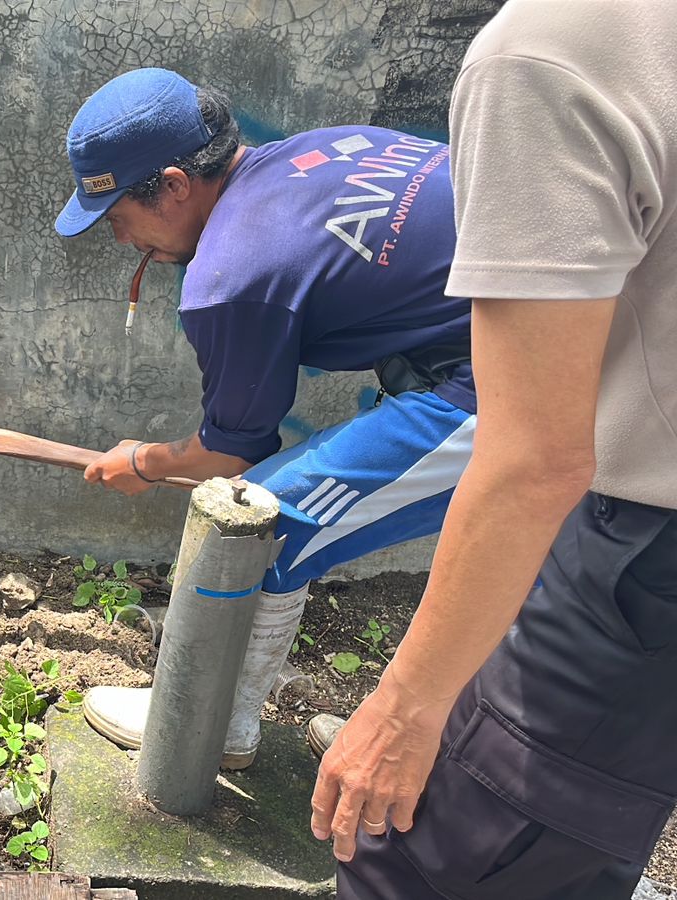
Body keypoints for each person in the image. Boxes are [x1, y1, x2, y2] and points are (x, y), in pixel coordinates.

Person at [311, 2, 677, 896]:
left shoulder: (544, 53)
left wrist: (402, 710)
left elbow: (537, 459)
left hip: (645, 543)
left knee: (420, 864)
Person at [55, 69, 477, 771]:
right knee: (535, 567)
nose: (123, 240)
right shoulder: (328, 147)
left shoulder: (231, 275)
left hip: (522, 383)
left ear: (174, 185)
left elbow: (230, 458)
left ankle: (207, 728)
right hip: (560, 331)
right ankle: (440, 751)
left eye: (119, 216)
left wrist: (142, 463)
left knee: (261, 524)